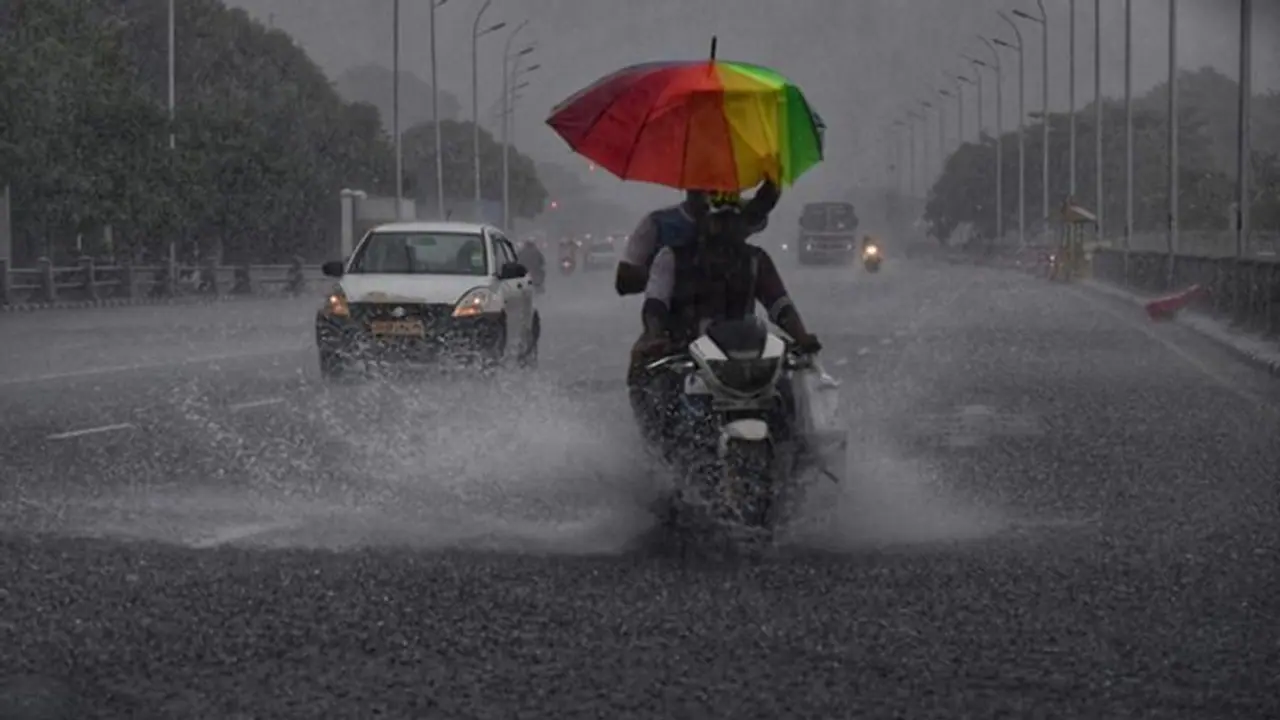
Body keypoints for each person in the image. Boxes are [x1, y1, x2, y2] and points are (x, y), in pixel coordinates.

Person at [624, 189, 821, 446]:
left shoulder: (756, 260)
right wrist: (655, 335)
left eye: (732, 220)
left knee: (786, 391)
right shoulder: (671, 257)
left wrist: (801, 336)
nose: (725, 228)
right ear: (704, 222)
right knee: (648, 372)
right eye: (719, 220)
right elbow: (655, 304)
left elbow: (780, 305)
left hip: (746, 353)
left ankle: (796, 456)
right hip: (685, 350)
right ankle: (657, 444)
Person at [615, 179, 781, 297]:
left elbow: (759, 208)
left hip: (731, 330)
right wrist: (667, 274)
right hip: (674, 328)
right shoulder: (658, 224)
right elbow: (624, 282)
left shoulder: (734, 219)